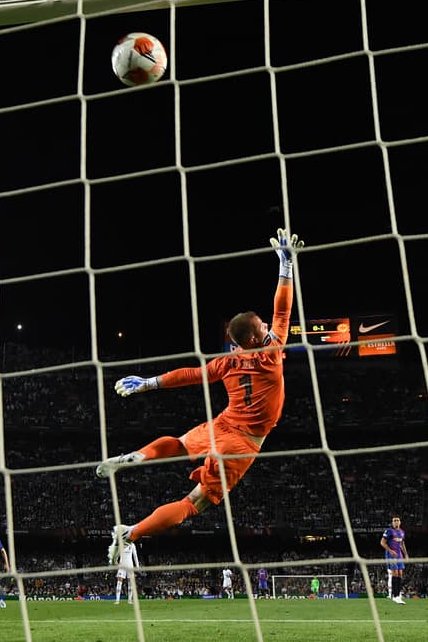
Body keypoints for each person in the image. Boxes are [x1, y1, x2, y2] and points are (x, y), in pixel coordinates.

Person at [98, 229, 303, 562]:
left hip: (221, 425)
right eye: (261, 326)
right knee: (194, 503)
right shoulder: (272, 352)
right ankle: (130, 533)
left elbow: (190, 375)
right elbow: (283, 312)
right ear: (253, 339)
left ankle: (140, 455)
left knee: (179, 445)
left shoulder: (225, 362)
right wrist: (286, 267)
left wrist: (150, 382)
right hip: (243, 443)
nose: (268, 326)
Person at [381, 516, 408, 604]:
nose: (396, 522)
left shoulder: (402, 532)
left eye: (397, 520)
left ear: (400, 522)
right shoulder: (389, 531)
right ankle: (395, 595)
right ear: (392, 522)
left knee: (400, 573)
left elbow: (402, 544)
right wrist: (390, 550)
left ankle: (398, 594)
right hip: (391, 555)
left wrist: (406, 554)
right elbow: (382, 542)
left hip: (399, 555)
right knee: (395, 573)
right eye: (394, 520)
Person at [114, 538, 139, 604]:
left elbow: (135, 555)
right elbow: (117, 554)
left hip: (130, 566)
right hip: (122, 565)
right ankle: (117, 600)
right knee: (119, 582)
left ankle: (129, 600)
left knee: (130, 582)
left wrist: (137, 566)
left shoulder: (132, 545)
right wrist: (115, 560)